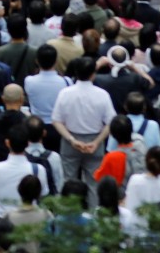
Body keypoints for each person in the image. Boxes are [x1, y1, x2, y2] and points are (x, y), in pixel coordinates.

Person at [52, 56, 116, 209]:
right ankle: (94, 218)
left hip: (70, 140)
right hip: (94, 141)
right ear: (93, 73)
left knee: (68, 181)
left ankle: (68, 216)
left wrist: (71, 139)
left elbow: (56, 120)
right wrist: (97, 141)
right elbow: (110, 123)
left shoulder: (65, 93)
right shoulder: (102, 94)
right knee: (94, 184)